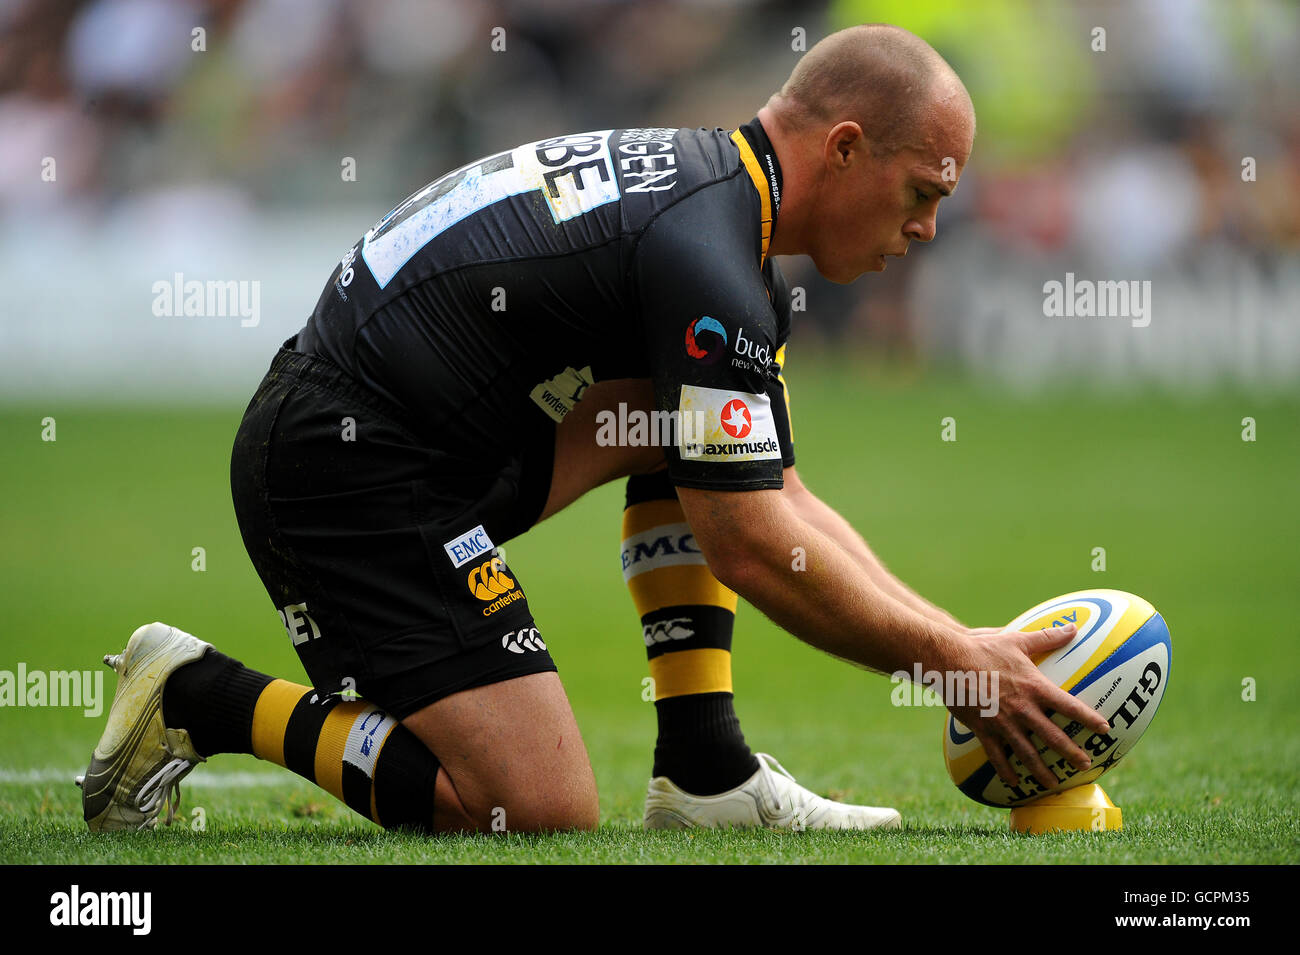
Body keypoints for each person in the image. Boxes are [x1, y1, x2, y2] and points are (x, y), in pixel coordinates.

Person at [78, 23, 1108, 834]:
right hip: (343, 471)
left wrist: (966, 645)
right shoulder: (708, 262)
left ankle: (705, 769)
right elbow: (749, 544)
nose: (924, 230)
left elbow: (775, 496)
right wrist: (953, 663)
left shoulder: (716, 215)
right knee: (534, 804)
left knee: (702, 439)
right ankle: (204, 695)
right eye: (921, 194)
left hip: (400, 438)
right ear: (844, 147)